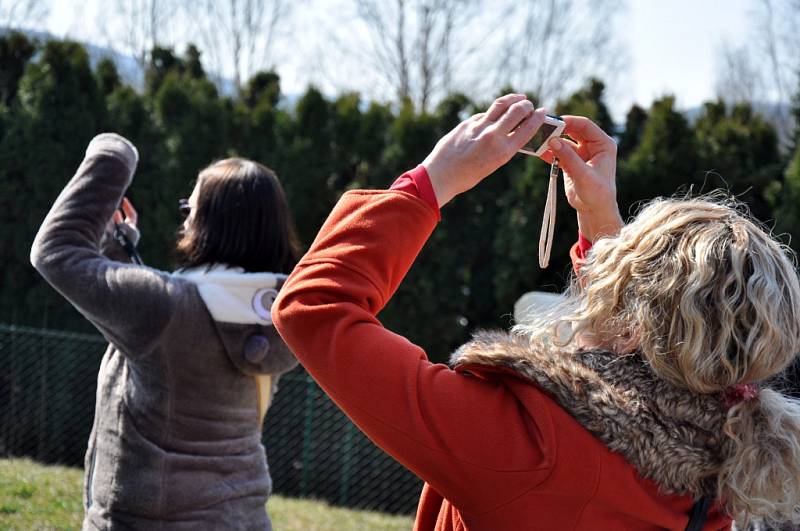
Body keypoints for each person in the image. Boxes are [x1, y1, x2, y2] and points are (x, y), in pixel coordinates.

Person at [272, 94, 800, 530]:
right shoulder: (725, 466)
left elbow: (315, 306)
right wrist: (602, 225)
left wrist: (430, 182)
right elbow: (643, 353)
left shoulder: (528, 445)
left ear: (633, 321)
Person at [31, 134, 300, 530]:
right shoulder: (280, 310)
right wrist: (120, 256)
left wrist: (113, 154)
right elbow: (179, 336)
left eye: (190, 207)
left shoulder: (164, 308)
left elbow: (56, 251)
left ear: (210, 221)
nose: (186, 218)